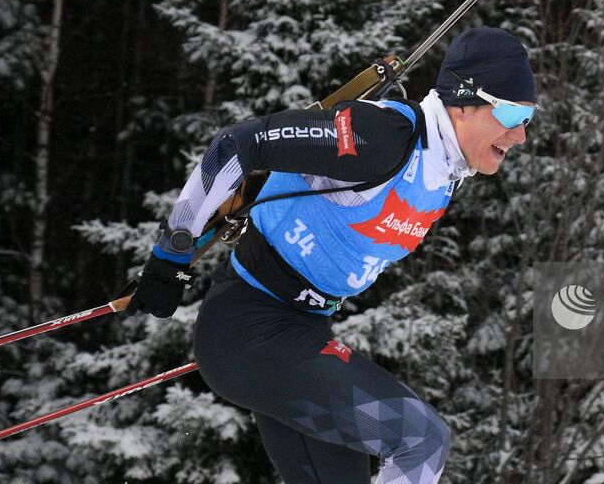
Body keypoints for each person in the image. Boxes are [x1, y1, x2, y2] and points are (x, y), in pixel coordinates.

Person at [124, 25, 537, 484]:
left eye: (529, 117)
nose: (521, 135)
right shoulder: (381, 136)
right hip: (248, 330)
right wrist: (170, 254)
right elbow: (238, 145)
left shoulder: (443, 168)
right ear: (462, 102)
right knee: (421, 442)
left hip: (298, 335)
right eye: (513, 112)